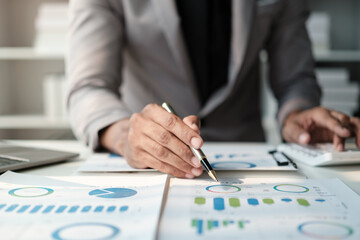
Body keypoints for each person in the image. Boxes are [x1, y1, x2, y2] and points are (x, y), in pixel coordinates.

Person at [67, 0, 360, 179]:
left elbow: (295, 78)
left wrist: (297, 113)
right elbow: (88, 88)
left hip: (250, 158)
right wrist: (125, 137)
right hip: (150, 165)